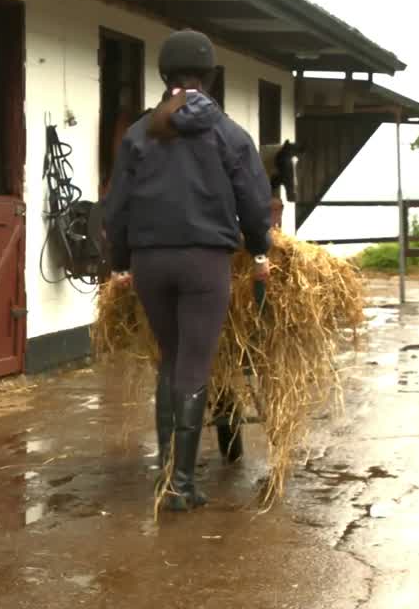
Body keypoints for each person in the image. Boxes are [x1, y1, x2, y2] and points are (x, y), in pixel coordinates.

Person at [102, 29, 273, 511]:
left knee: (171, 358)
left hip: (151, 261)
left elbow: (116, 208)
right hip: (204, 263)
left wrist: (119, 263)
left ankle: (167, 473)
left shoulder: (139, 133)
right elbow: (255, 204)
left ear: (164, 75)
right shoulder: (229, 134)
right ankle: (180, 484)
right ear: (211, 75)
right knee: (195, 364)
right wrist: (259, 251)